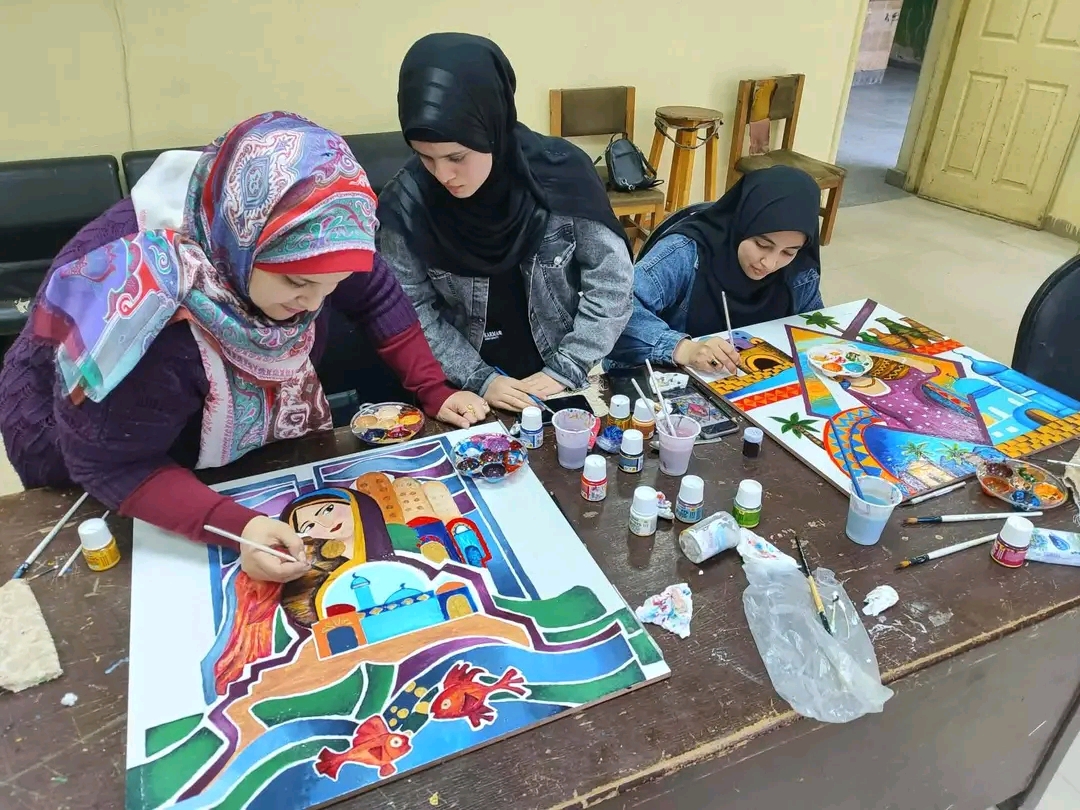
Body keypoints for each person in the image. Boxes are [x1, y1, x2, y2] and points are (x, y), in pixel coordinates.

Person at [0, 111, 488, 582]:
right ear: (240, 245)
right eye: (297, 282)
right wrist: (238, 528)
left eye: (332, 285)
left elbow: (375, 291)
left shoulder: (312, 222)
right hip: (85, 438)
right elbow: (114, 463)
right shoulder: (152, 311)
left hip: (174, 433)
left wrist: (433, 388)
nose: (312, 305)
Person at [377, 33, 635, 412]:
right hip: (463, 393)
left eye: (456, 157)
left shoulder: (562, 175)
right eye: (425, 158)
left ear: (493, 128)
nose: (442, 175)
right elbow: (410, 310)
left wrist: (569, 365)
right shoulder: (406, 205)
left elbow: (612, 282)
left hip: (560, 378)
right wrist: (479, 378)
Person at [608, 165, 824, 373]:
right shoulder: (684, 252)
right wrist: (684, 349)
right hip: (666, 378)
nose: (770, 263)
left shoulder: (800, 267)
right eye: (762, 245)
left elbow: (815, 329)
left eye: (788, 252)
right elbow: (613, 310)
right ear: (743, 223)